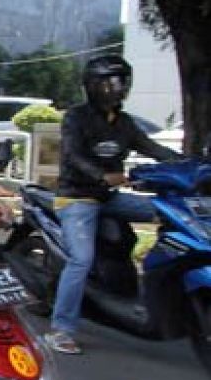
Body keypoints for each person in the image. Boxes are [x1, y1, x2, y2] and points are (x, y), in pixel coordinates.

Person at [45, 54, 180, 355]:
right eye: (109, 82)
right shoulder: (76, 117)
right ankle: (60, 329)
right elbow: (72, 156)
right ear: (92, 85)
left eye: (121, 81)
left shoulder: (124, 122)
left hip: (110, 199)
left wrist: (185, 164)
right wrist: (103, 176)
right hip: (77, 198)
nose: (116, 88)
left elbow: (151, 147)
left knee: (169, 214)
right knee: (80, 259)